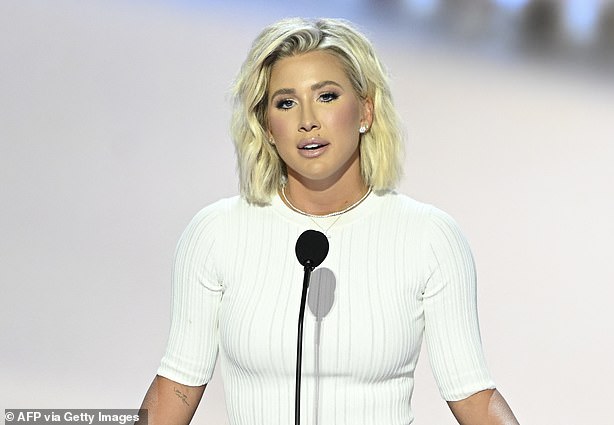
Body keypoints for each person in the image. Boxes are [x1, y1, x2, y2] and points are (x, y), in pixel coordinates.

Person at [138, 17, 519, 425]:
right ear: (267, 127)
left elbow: (474, 396)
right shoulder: (215, 233)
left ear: (365, 111)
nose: (308, 120)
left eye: (327, 97)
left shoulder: (429, 237)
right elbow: (176, 386)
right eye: (285, 102)